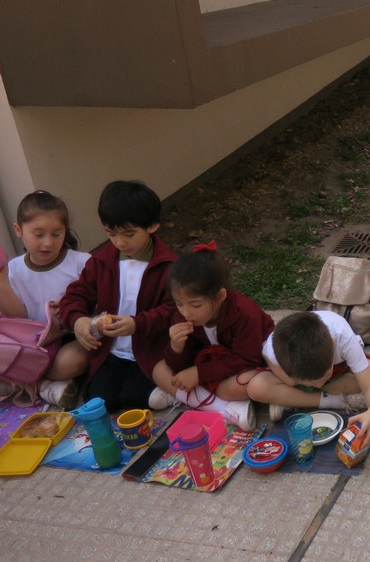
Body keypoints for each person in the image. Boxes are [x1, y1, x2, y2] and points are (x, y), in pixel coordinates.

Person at [58, 180, 178, 412]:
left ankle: (164, 391)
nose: (120, 242)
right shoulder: (102, 261)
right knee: (101, 401)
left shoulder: (168, 266)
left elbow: (173, 309)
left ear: (152, 226)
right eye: (111, 234)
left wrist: (137, 324)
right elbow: (74, 296)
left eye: (129, 234)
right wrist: (78, 320)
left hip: (149, 352)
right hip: (110, 350)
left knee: (133, 397)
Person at [151, 244, 271, 430]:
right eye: (179, 304)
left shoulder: (246, 314)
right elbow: (181, 365)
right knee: (159, 369)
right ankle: (223, 408)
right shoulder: (182, 317)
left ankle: (188, 396)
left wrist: (199, 374)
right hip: (209, 368)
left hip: (241, 368)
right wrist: (176, 348)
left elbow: (247, 359)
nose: (186, 312)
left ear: (221, 295)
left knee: (235, 387)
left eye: (195, 305)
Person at [3, 190, 91, 407]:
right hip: (33, 343)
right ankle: (45, 384)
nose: (48, 243)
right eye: (38, 234)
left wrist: (74, 306)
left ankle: (36, 382)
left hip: (71, 337)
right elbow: (18, 317)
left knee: (79, 358)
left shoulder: (81, 263)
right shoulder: (14, 269)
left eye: (56, 234)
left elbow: (100, 301)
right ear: (18, 230)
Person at [246, 310, 370, 447]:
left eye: (325, 376)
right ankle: (336, 400)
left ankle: (291, 398)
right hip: (309, 380)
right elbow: (267, 354)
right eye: (311, 384)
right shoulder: (273, 350)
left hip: (338, 372)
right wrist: (289, 381)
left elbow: (369, 387)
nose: (319, 385)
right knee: (255, 388)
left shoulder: (342, 336)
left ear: (333, 344)